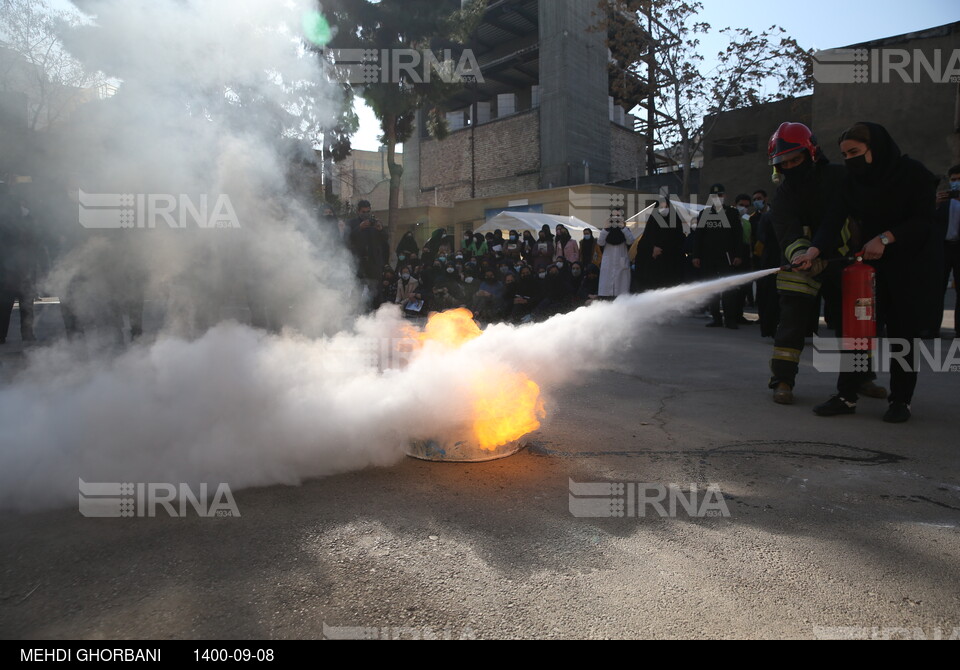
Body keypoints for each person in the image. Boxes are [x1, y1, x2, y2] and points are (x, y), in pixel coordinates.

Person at [813, 122, 939, 423]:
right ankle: (846, 395)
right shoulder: (851, 182)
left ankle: (901, 400)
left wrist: (885, 238)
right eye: (844, 155)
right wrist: (813, 251)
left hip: (910, 265)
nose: (849, 160)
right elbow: (833, 219)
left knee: (902, 333)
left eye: (855, 152)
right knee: (858, 331)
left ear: (876, 148)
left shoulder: (913, 174)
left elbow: (924, 221)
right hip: (869, 269)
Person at [767, 123, 852, 404]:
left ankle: (860, 379)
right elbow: (787, 232)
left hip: (840, 259)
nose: (790, 166)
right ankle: (782, 380)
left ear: (811, 152)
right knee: (791, 324)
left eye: (796, 159)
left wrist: (821, 253)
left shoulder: (839, 177)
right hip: (799, 264)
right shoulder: (783, 195)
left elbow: (841, 219)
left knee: (851, 324)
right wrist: (801, 257)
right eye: (784, 163)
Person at [692, 184, 743, 327]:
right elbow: (699, 237)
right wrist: (696, 256)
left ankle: (730, 319)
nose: (718, 198)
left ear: (724, 196)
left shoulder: (732, 213)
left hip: (727, 256)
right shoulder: (705, 213)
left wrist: (738, 255)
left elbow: (738, 236)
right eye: (715, 196)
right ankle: (716, 317)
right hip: (708, 257)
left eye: (720, 195)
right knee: (712, 287)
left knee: (728, 288)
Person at [0, 183, 38, 345]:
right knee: (25, 304)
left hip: (10, 266)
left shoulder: (8, 217)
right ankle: (27, 334)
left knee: (6, 304)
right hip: (20, 265)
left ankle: (2, 335)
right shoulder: (25, 217)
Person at [347, 200, 388, 309]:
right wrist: (360, 227)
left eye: (368, 211)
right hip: (358, 262)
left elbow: (385, 240)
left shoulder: (375, 223)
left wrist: (380, 229)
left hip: (373, 263)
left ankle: (378, 313)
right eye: (363, 212)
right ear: (358, 211)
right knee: (357, 290)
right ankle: (353, 312)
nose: (366, 214)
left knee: (376, 291)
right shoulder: (352, 223)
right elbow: (348, 238)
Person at [934, 164, 960, 337]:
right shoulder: (942, 201)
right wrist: (935, 204)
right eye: (953, 180)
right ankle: (931, 327)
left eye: (959, 180)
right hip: (943, 248)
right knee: (936, 288)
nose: (956, 184)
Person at [597, 210, 635, 299]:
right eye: (613, 216)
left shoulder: (626, 230)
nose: (616, 218)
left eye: (618, 216)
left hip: (621, 264)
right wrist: (605, 229)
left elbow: (630, 241)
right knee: (607, 292)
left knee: (621, 291)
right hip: (608, 265)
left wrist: (623, 228)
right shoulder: (606, 230)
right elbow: (600, 242)